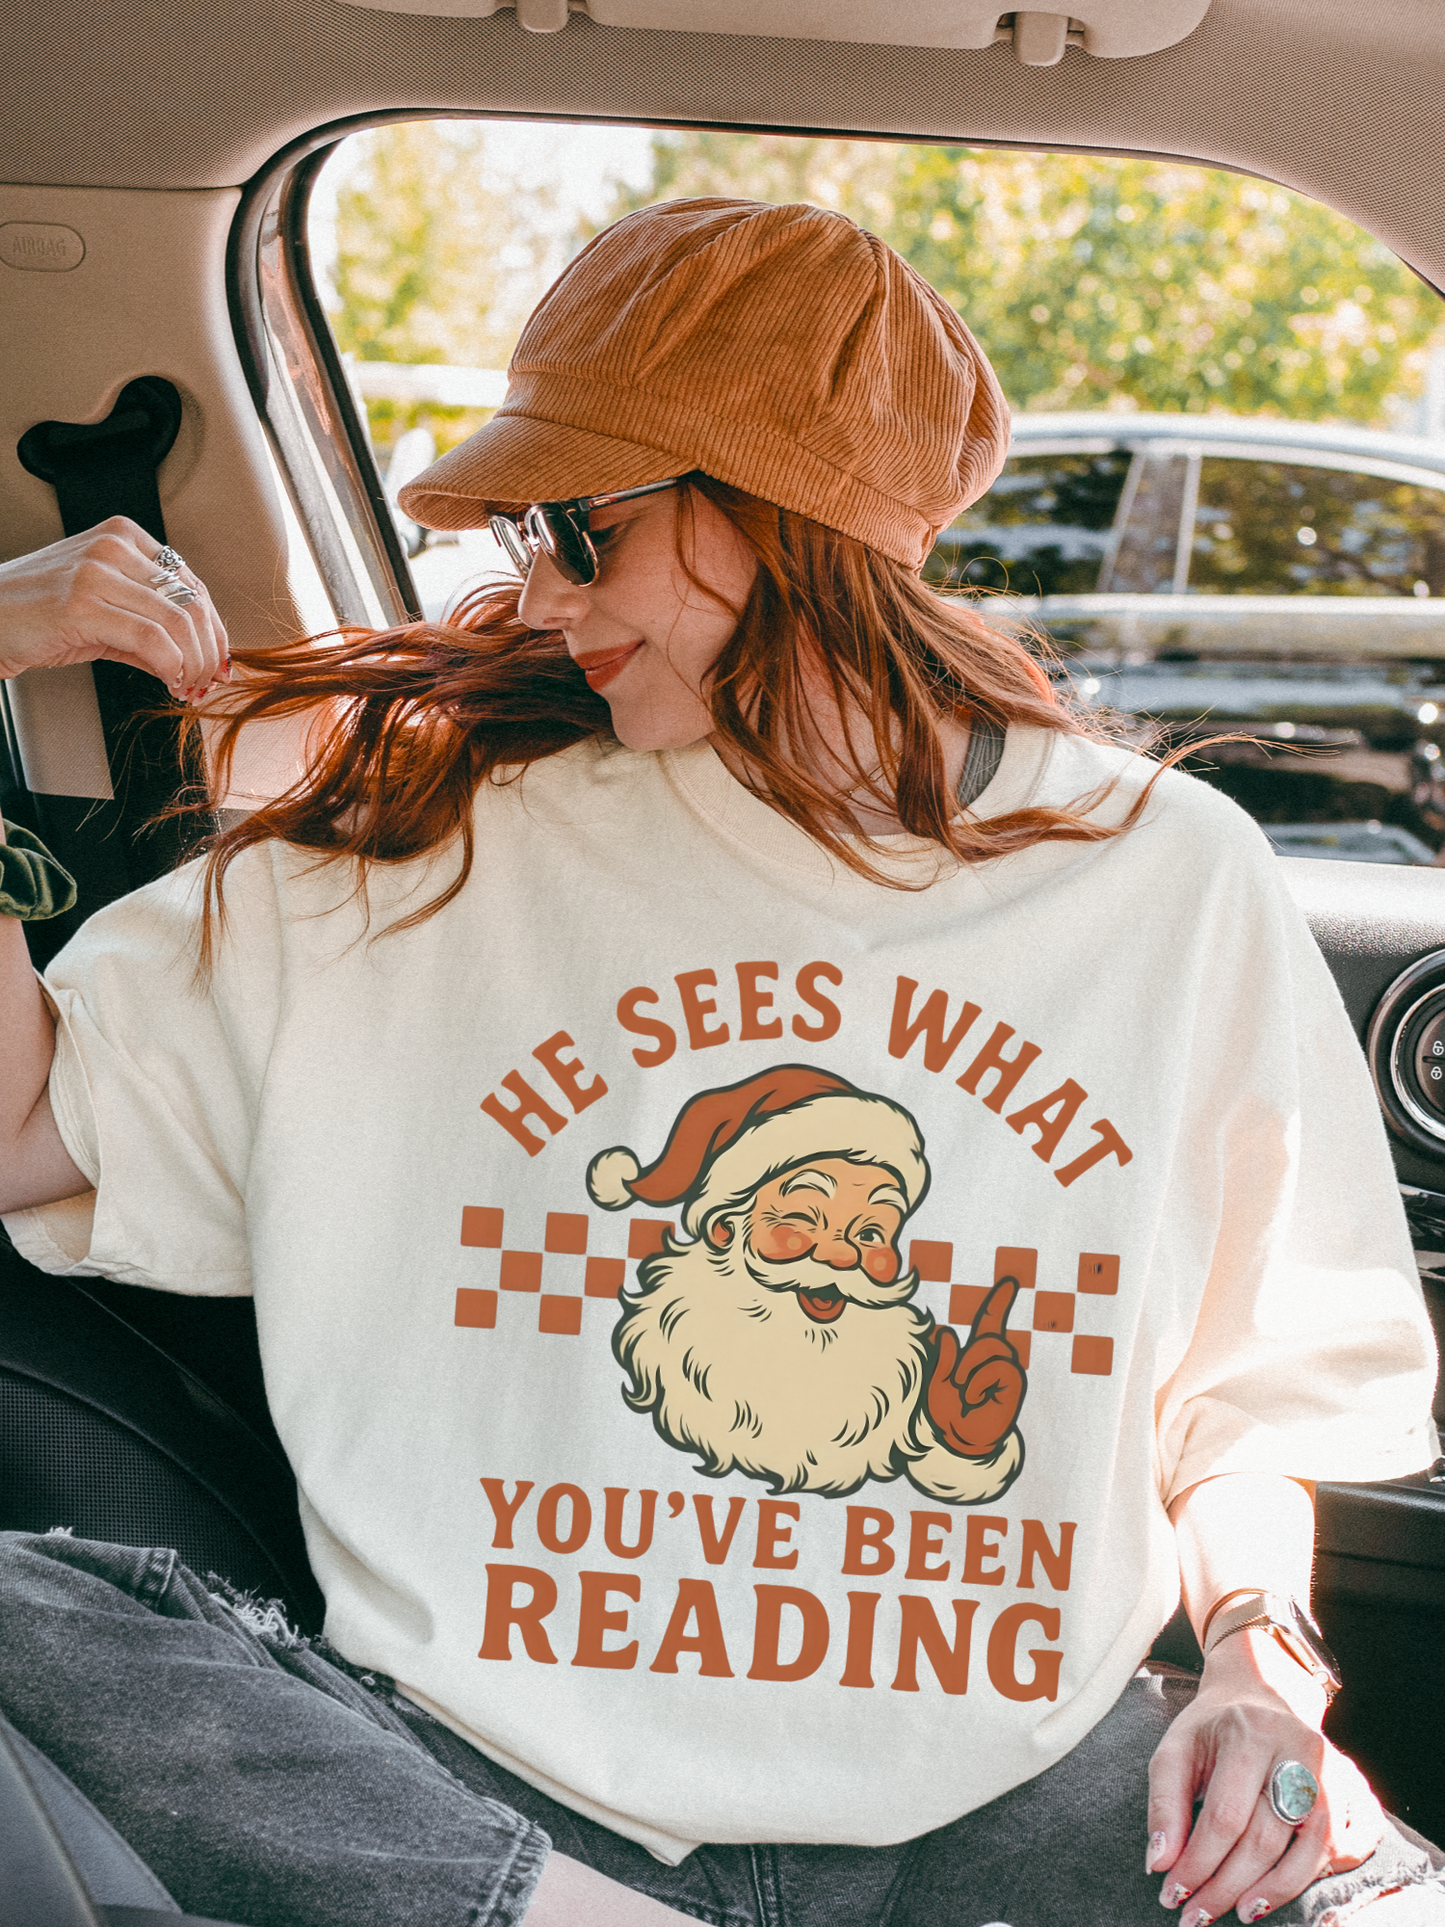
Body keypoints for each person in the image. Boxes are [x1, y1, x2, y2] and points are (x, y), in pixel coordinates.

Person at [0, 195, 1440, 1927]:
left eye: (581, 532)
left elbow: (1248, 1391)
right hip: (468, 1776)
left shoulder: (1165, 876)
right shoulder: (418, 846)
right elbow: (22, 1127)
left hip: (996, 1797)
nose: (535, 589)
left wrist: (1259, 1676)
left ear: (780, 514)